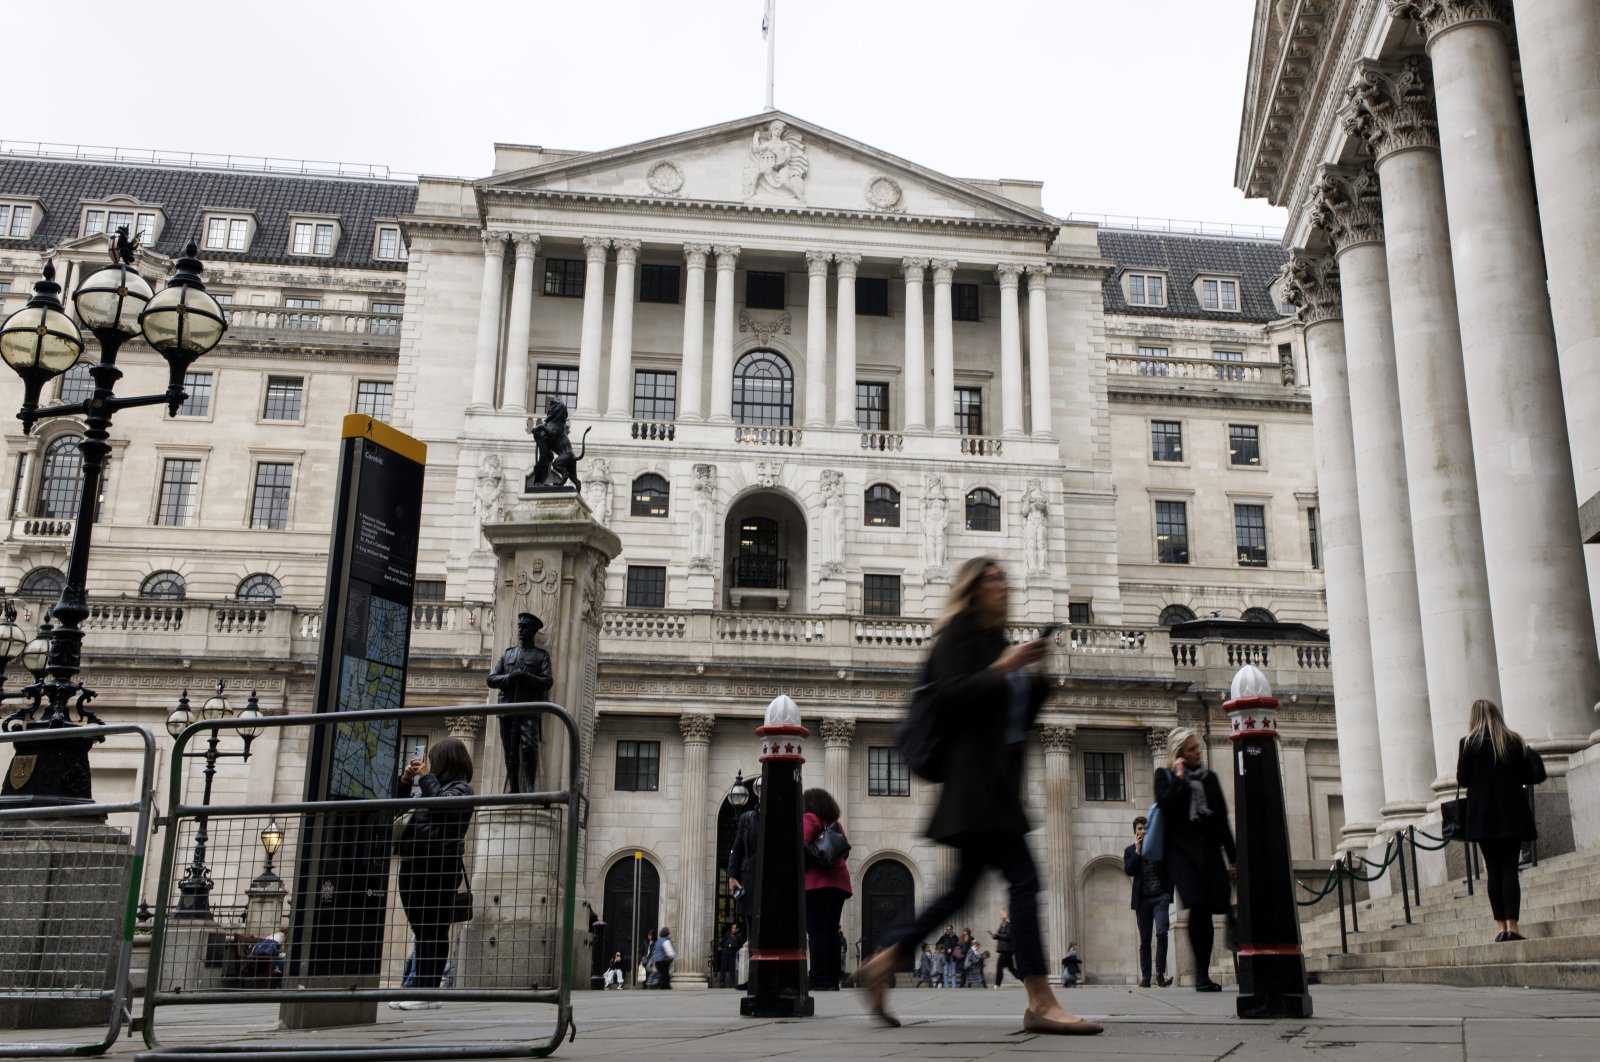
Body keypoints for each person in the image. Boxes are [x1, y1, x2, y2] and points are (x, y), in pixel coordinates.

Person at [855, 556, 1102, 1036]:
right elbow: (950, 696)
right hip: (976, 786)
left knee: (958, 892)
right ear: (972, 589)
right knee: (1025, 880)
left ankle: (884, 961)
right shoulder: (958, 636)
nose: (1004, 585)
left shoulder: (994, 642)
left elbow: (1009, 722)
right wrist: (1005, 666)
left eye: (1005, 578)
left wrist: (1034, 678)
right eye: (994, 578)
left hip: (992, 785)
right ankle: (1039, 999)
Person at [389, 736, 474, 1011]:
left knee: (433, 928)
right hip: (414, 861)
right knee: (420, 927)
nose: (428, 763)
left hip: (439, 864)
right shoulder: (428, 787)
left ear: (445, 761)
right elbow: (399, 811)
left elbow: (442, 807)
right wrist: (404, 782)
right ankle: (419, 988)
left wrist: (426, 779)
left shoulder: (461, 789)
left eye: (433, 759)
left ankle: (427, 990)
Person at [1457, 698, 1546, 942]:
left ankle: (1500, 929)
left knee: (1493, 871)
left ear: (1473, 717)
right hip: (1512, 811)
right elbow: (1528, 774)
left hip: (1482, 815)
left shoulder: (1468, 744)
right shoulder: (1513, 739)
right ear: (1498, 714)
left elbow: (1463, 779)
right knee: (1510, 870)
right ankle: (1513, 927)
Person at [1155, 728, 1236, 992]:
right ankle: (1201, 975)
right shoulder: (1165, 777)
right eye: (1191, 749)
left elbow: (1222, 819)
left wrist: (1233, 856)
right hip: (1180, 853)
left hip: (1208, 850)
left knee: (1207, 909)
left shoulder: (1210, 778)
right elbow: (1165, 804)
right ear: (1179, 754)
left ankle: (1202, 974)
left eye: (1198, 747)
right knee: (1196, 903)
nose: (1198, 752)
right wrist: (1179, 778)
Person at [486, 612, 554, 793]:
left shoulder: (541, 656)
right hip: (507, 707)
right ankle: (514, 787)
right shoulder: (508, 654)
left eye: (525, 627)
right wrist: (509, 678)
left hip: (529, 708)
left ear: (533, 631)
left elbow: (547, 681)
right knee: (509, 748)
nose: (521, 630)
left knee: (529, 745)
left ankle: (530, 784)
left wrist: (526, 677)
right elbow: (491, 679)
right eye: (520, 627)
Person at [801, 787, 852, 991]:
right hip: (839, 883)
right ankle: (831, 979)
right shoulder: (835, 824)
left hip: (816, 883)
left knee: (816, 931)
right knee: (831, 931)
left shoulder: (809, 818)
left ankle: (817, 977)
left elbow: (802, 846)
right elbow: (844, 852)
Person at [1124, 815, 1174, 988]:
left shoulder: (1158, 848)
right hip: (1142, 901)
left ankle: (1160, 974)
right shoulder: (1130, 851)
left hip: (1160, 898)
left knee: (1161, 933)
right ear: (1135, 831)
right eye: (1139, 828)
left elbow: (1170, 870)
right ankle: (1146, 977)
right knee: (1145, 940)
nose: (1143, 831)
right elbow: (1129, 871)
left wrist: (1168, 895)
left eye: (1145, 828)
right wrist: (1138, 851)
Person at [990, 911, 1018, 988]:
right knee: (1012, 969)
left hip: (1007, 950)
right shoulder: (1003, 925)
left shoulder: (1009, 925)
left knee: (999, 967)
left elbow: (1008, 936)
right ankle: (1025, 980)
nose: (1000, 917)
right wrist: (995, 936)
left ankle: (997, 985)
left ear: (1004, 916)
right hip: (1005, 950)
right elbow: (1001, 935)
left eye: (1001, 915)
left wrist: (998, 936)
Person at [935, 924, 959, 989]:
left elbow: (957, 946)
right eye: (946, 929)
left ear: (952, 930)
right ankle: (946, 986)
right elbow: (937, 944)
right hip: (945, 956)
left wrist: (953, 950)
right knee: (945, 972)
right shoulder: (943, 937)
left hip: (953, 956)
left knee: (953, 972)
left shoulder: (955, 937)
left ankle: (953, 986)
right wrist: (943, 950)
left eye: (949, 929)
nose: (947, 930)